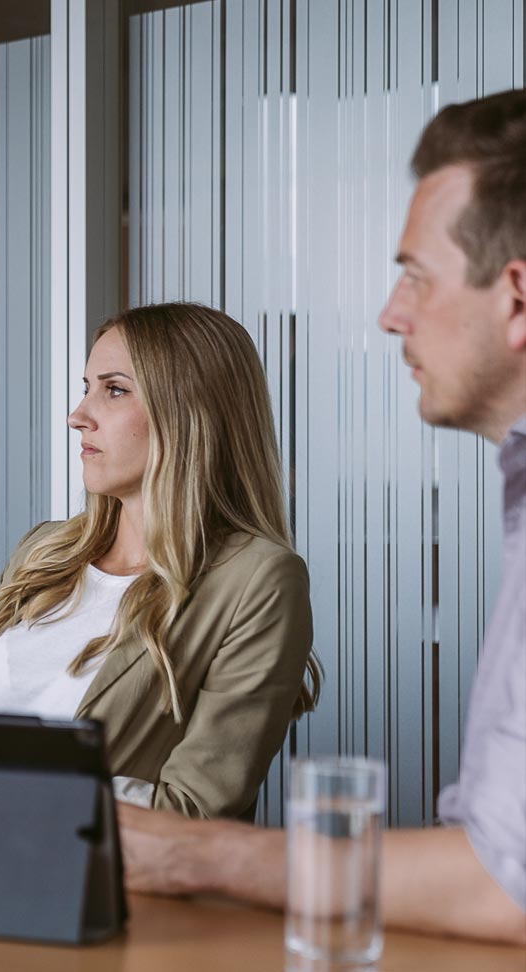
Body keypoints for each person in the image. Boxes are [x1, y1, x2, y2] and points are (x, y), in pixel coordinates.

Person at [118, 90, 526, 945]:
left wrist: (199, 855)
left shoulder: (257, 579)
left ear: (516, 297)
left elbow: (509, 879)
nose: (389, 313)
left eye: (415, 274)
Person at [0, 302, 322, 820]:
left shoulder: (256, 581)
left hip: (108, 891)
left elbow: (192, 810)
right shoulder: (44, 553)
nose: (78, 415)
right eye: (86, 386)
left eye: (114, 390)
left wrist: (1, 791)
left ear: (188, 410)